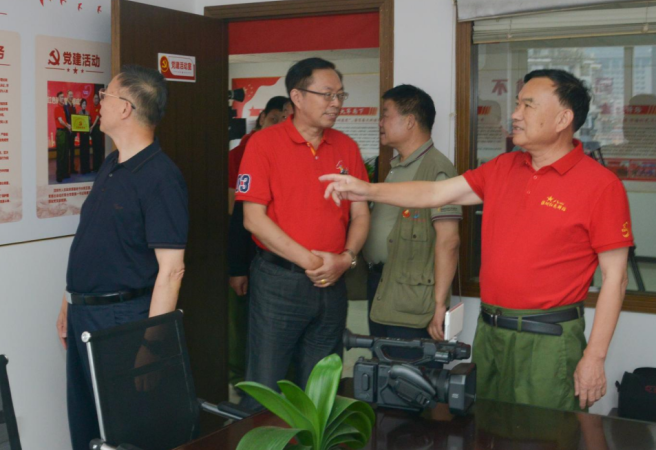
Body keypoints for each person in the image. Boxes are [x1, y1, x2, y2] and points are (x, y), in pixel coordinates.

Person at [322, 69, 632, 412]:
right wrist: (366, 190)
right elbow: (435, 192)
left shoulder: (600, 185)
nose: (515, 114)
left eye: (527, 105)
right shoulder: (503, 167)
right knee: (484, 426)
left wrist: (594, 357)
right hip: (490, 331)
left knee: (547, 432)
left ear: (563, 118)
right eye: (517, 104)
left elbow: (615, 279)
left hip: (549, 339)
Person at [56, 66, 189, 450]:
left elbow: (171, 271)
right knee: (87, 425)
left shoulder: (161, 177)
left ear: (126, 108)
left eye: (106, 96)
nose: (99, 103)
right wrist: (69, 300)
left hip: (123, 321)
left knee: (122, 430)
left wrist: (152, 345)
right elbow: (95, 240)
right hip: (85, 314)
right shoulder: (112, 165)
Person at [235, 58, 369, 407]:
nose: (336, 103)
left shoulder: (346, 147)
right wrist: (315, 263)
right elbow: (253, 219)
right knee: (266, 386)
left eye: (340, 95)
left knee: (322, 388)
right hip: (280, 282)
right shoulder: (264, 144)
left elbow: (360, 213)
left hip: (333, 284)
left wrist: (346, 259)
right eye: (327, 94)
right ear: (297, 96)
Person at [364, 85, 460, 363]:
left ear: (409, 121)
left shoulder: (436, 169)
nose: (380, 123)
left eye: (386, 115)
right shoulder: (398, 166)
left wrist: (439, 305)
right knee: (383, 371)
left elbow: (449, 240)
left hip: (412, 299)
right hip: (383, 286)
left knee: (408, 376)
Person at [226, 95, 291, 386]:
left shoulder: (289, 153)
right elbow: (238, 214)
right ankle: (242, 380)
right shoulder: (242, 154)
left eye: (285, 119)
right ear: (262, 118)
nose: (279, 125)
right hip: (250, 250)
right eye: (275, 118)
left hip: (285, 261)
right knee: (244, 323)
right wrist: (237, 267)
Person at [54, 91, 71, 182]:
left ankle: (65, 173)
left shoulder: (64, 108)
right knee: (60, 155)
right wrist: (68, 126)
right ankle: (59, 175)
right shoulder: (57, 108)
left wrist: (69, 126)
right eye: (61, 97)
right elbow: (60, 121)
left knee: (65, 154)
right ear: (58, 98)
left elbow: (65, 120)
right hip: (60, 133)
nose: (62, 98)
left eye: (63, 97)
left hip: (65, 133)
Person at [76, 99, 92, 174]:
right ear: (81, 105)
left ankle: (87, 168)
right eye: (83, 104)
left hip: (87, 134)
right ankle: (83, 169)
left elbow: (90, 123)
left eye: (85, 104)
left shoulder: (88, 113)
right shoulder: (78, 113)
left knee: (87, 151)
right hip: (82, 135)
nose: (84, 105)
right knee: (82, 151)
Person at [90, 91, 104, 172]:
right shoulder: (91, 107)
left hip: (97, 129)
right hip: (93, 130)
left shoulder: (100, 107)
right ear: (92, 99)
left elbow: (97, 118)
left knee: (99, 148)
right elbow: (90, 118)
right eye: (95, 98)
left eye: (97, 98)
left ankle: (99, 167)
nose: (96, 100)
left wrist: (92, 126)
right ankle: (95, 167)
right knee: (94, 148)